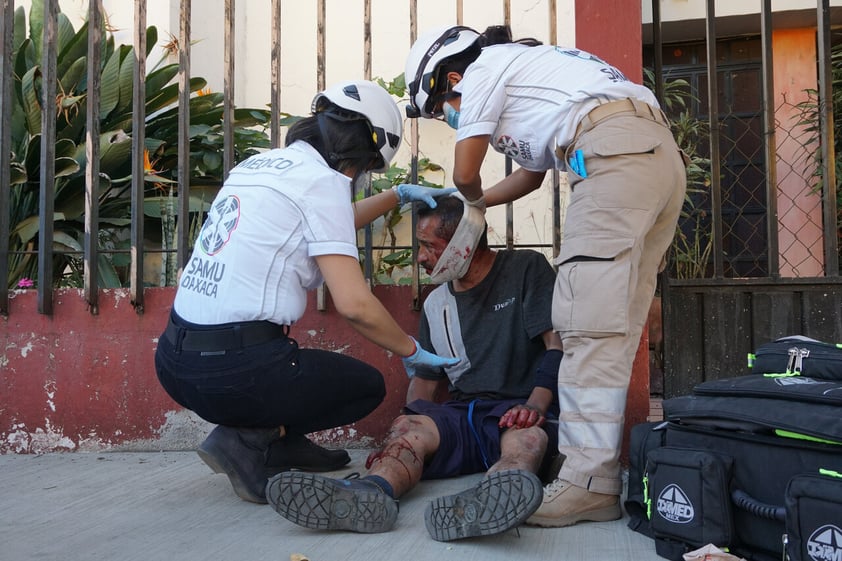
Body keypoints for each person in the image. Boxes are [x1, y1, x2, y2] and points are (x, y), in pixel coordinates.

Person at [402, 25, 688, 527]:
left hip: (612, 157)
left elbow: (466, 170)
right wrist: (476, 207)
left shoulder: (487, 67)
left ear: (452, 77)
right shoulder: (539, 79)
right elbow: (529, 175)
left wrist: (456, 200)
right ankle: (595, 481)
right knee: (610, 330)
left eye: (440, 108)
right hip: (653, 157)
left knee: (581, 326)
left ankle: (585, 483)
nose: (447, 118)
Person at [154, 80, 459, 505]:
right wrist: (411, 351)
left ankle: (279, 442)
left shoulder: (260, 165)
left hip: (174, 361)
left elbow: (325, 221)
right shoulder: (322, 183)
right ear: (361, 153)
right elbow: (355, 305)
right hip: (234, 371)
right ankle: (250, 441)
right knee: (365, 386)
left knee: (283, 366)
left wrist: (397, 196)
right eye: (366, 168)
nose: (358, 178)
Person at [266, 194, 564, 542]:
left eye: (429, 246)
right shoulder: (437, 303)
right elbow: (425, 381)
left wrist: (534, 406)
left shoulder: (526, 269)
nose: (421, 257)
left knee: (526, 439)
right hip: (462, 415)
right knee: (408, 429)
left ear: (463, 243)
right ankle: (371, 492)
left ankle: (494, 498)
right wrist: (401, 432)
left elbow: (555, 346)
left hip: (518, 411)